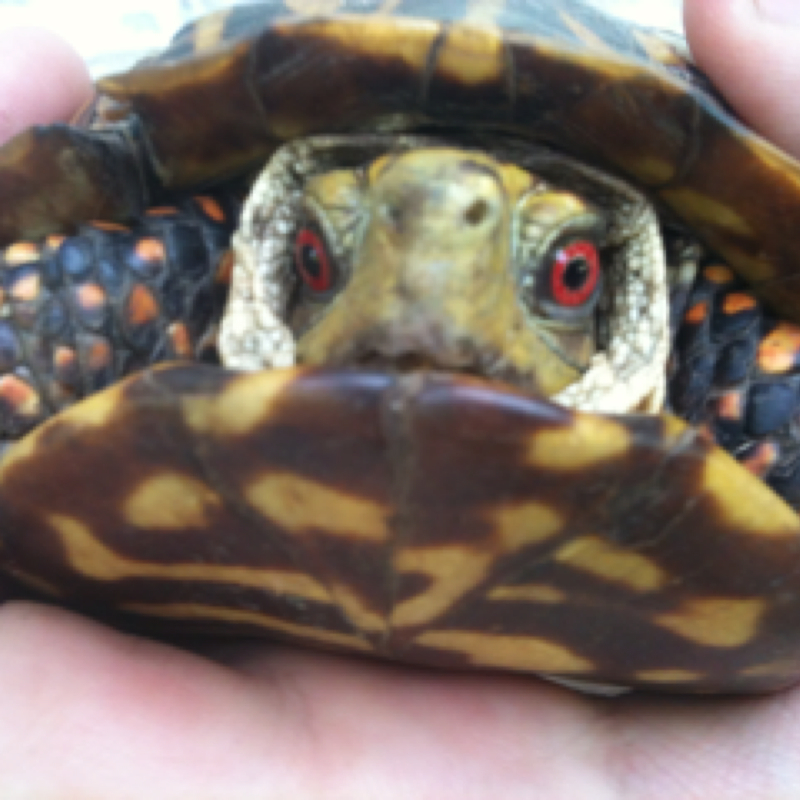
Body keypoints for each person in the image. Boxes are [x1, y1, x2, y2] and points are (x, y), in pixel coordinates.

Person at [1, 2, 799, 795]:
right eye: (319, 257)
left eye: (565, 274)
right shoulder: (192, 273)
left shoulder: (708, 349)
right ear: (280, 250)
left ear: (622, 277)